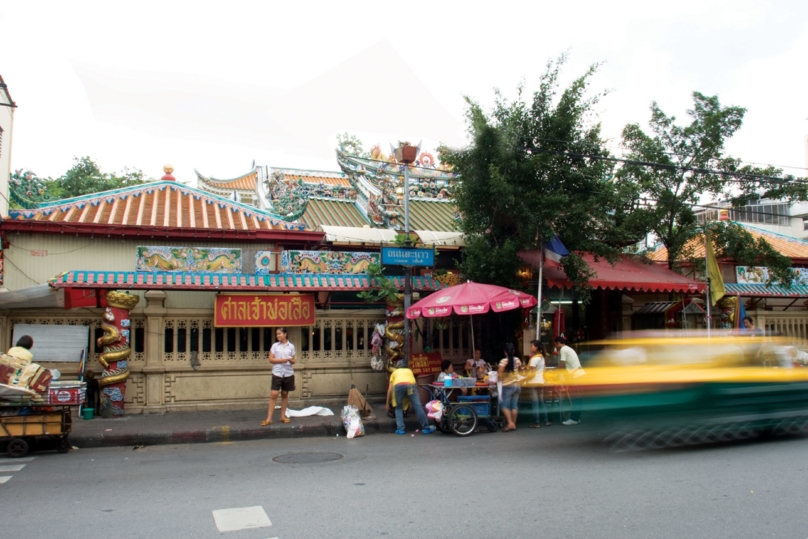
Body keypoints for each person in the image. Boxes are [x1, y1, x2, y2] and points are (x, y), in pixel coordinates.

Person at [386, 367, 436, 435]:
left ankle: (400, 429)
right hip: (410, 385)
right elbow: (413, 386)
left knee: (398, 407)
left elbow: (390, 390)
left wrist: (387, 403)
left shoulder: (394, 373)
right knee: (418, 406)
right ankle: (426, 428)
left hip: (398, 386)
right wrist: (410, 402)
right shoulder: (409, 371)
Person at [262, 328, 295, 426]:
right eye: (277, 334)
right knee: (274, 394)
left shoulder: (291, 346)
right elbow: (271, 359)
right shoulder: (275, 346)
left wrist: (290, 360)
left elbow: (293, 360)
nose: (278, 336)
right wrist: (281, 360)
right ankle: (269, 418)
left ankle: (282, 416)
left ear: (285, 334)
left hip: (288, 372)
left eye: (280, 334)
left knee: (285, 394)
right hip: (277, 372)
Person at [554, 336, 584, 425]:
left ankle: (574, 419)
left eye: (555, 344)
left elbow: (562, 364)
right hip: (579, 375)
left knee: (575, 398)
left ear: (558, 343)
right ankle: (577, 418)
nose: (555, 347)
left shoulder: (563, 349)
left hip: (576, 376)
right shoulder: (568, 349)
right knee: (578, 398)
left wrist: (554, 372)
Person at [526, 340, 550, 428]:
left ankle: (536, 422)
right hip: (540, 382)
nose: (530, 348)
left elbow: (532, 374)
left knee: (535, 403)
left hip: (533, 382)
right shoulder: (542, 357)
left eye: (532, 346)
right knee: (541, 402)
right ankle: (546, 420)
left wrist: (525, 379)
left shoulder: (534, 359)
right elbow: (543, 370)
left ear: (536, 347)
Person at [498, 342, 522, 432]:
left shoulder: (503, 361)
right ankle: (513, 424)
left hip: (507, 386)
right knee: (514, 406)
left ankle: (510, 423)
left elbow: (499, 375)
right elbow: (519, 370)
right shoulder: (518, 360)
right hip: (517, 385)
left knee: (504, 406)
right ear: (514, 351)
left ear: (505, 352)